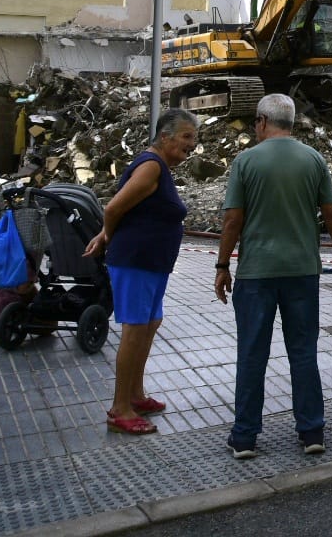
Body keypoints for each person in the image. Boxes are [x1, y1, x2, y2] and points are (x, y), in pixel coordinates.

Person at [215, 93, 332, 458]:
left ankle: (245, 437)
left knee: (252, 355)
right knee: (303, 353)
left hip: (256, 275)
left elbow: (232, 220)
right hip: (302, 273)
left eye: (256, 123)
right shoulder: (313, 159)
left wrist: (222, 266)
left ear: (263, 121)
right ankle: (312, 432)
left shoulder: (245, 161)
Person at [83, 108, 198, 435]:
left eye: (195, 138)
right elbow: (113, 208)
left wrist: (106, 234)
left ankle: (135, 394)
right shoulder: (151, 167)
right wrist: (108, 236)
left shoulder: (157, 166)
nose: (192, 145)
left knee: (150, 323)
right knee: (135, 331)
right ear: (165, 136)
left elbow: (126, 211)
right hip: (136, 261)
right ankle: (120, 408)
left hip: (151, 262)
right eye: (187, 137)